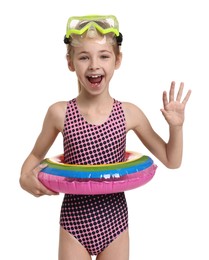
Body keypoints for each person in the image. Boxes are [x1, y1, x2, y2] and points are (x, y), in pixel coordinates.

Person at [19, 15, 191, 260]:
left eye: (103, 56)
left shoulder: (130, 113)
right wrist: (25, 179)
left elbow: (171, 160)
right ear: (70, 62)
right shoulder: (59, 113)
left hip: (115, 223)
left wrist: (177, 127)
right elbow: (35, 156)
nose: (93, 65)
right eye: (84, 57)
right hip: (74, 222)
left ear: (117, 60)